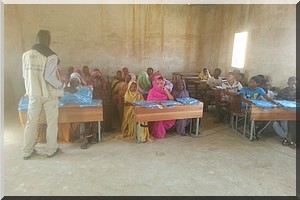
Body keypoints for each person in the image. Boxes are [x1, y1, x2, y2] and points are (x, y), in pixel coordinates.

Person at [21, 30, 64, 159]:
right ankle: (51, 150)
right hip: (48, 94)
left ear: (36, 39)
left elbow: (24, 75)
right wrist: (61, 86)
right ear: (49, 41)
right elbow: (49, 77)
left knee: (31, 121)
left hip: (33, 94)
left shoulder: (26, 55)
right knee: (51, 122)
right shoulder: (51, 56)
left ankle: (27, 151)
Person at [272, 76, 297, 148]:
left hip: (294, 112)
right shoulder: (283, 91)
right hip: (284, 112)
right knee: (284, 122)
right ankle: (287, 137)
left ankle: (290, 138)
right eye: (291, 83)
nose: (293, 85)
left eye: (295, 84)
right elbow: (278, 103)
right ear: (288, 83)